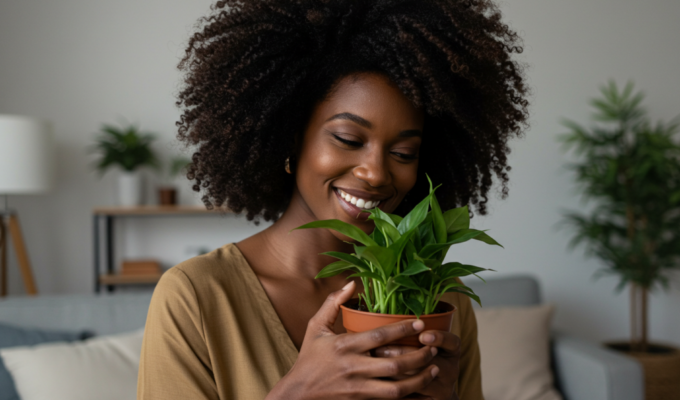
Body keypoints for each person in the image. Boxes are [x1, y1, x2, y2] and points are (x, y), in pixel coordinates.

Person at [137, 0, 528, 399]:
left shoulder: (442, 299)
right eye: (348, 139)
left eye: (403, 153)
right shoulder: (197, 296)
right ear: (292, 137)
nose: (376, 173)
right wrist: (298, 391)